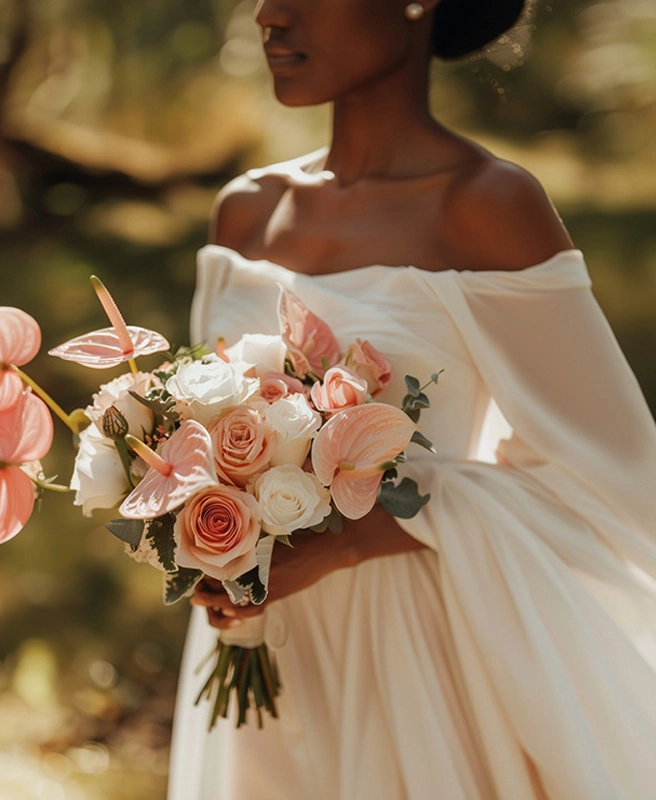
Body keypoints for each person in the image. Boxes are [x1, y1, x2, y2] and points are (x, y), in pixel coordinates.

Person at [168, 0, 656, 797]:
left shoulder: (488, 208)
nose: (267, 13)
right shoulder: (245, 212)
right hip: (263, 656)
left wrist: (358, 535)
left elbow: (617, 481)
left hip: (414, 659)